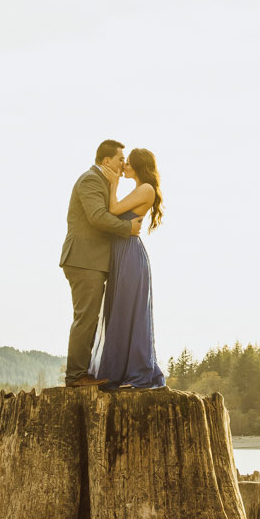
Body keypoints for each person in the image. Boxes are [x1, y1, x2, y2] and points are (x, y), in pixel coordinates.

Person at [61, 140, 143, 388]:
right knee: (86, 318)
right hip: (84, 260)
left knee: (90, 318)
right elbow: (97, 217)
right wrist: (127, 228)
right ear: (106, 161)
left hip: (92, 261)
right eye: (120, 159)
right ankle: (76, 376)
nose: (123, 163)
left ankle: (81, 373)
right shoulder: (90, 180)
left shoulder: (102, 183)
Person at [92, 147, 165, 390]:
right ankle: (122, 372)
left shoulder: (146, 189)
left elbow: (113, 210)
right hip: (122, 254)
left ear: (138, 166)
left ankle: (138, 374)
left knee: (130, 310)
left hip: (131, 256)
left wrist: (113, 183)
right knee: (120, 310)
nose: (124, 166)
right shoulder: (138, 189)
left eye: (128, 163)